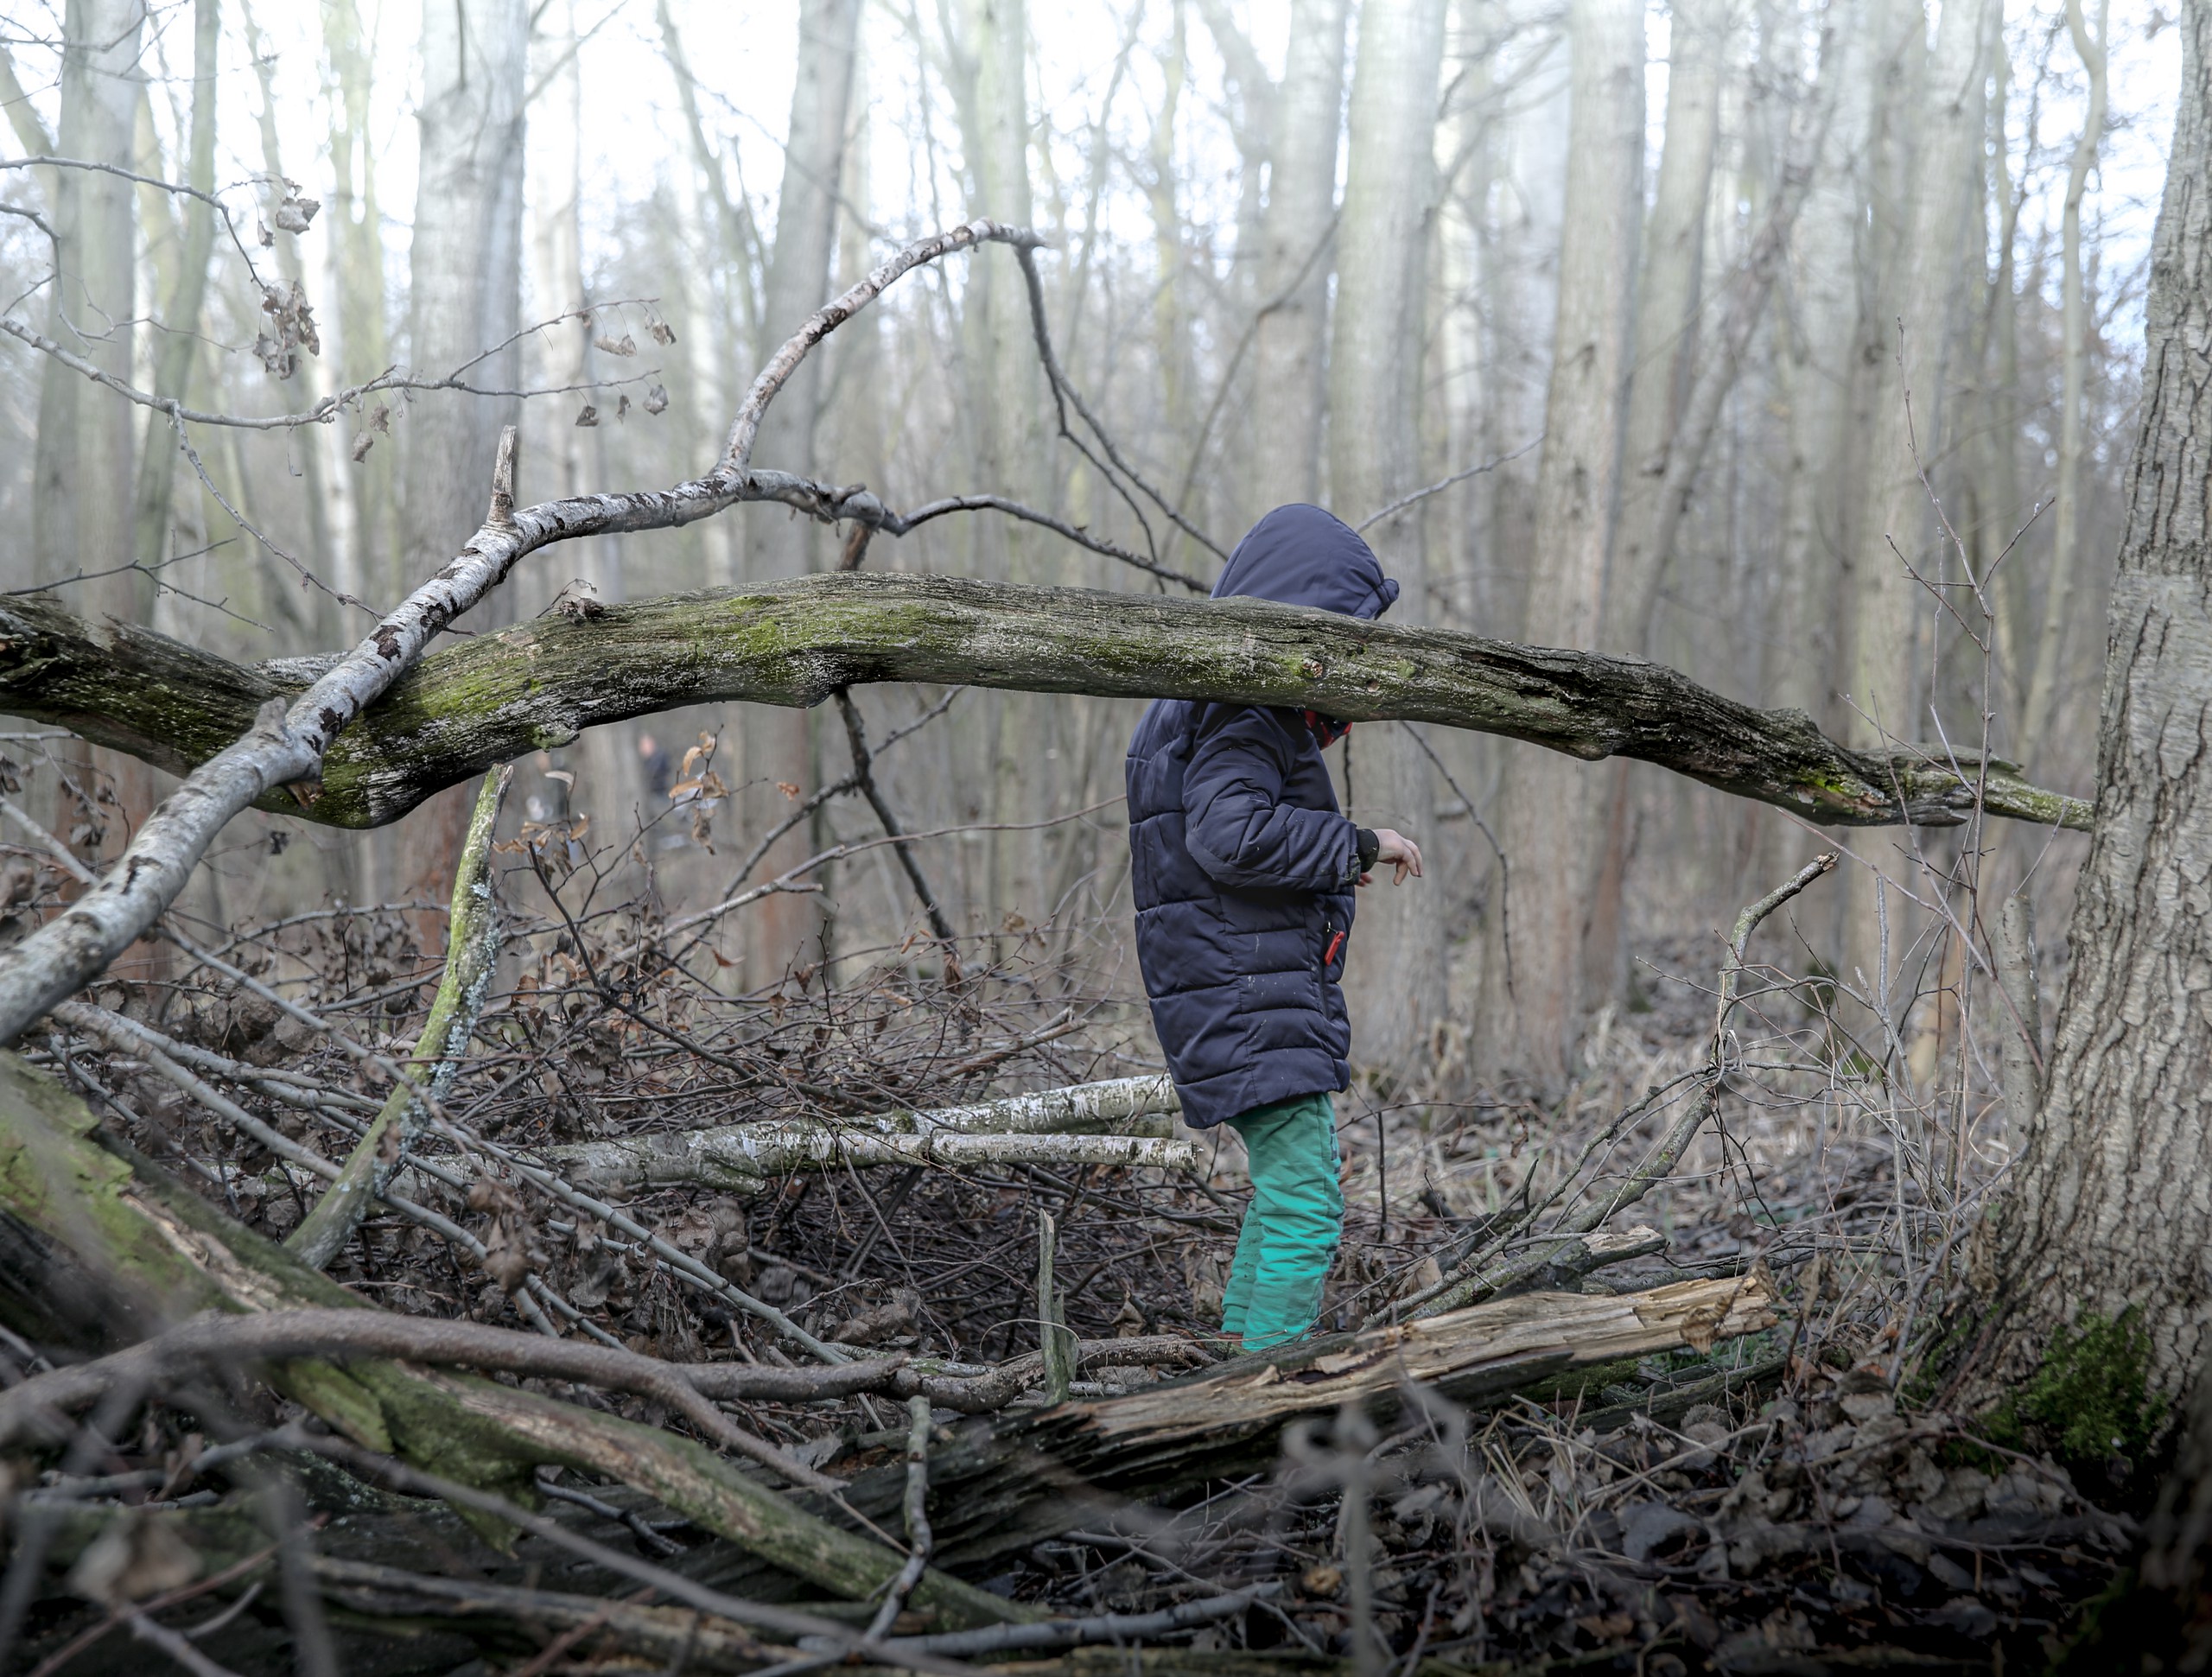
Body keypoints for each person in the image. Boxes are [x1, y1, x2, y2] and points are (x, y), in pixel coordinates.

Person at [1126, 505, 1423, 1351]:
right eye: (1343, 641)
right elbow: (1230, 837)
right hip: (1248, 993)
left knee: (1287, 1191)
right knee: (1306, 1200)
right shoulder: (1246, 711)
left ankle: (1237, 1371)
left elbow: (1229, 834)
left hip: (1236, 987)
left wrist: (1334, 857)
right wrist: (1358, 843)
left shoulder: (1203, 707)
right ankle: (1269, 1393)